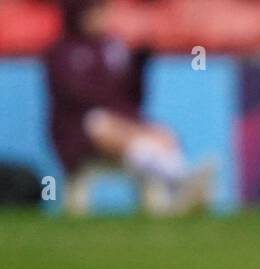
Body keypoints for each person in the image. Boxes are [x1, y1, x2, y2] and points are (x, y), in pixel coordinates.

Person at [45, 0, 212, 214]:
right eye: (94, 12)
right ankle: (183, 181)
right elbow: (75, 99)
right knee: (100, 123)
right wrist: (123, 122)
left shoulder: (113, 47)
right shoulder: (61, 53)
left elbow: (130, 96)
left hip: (120, 124)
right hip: (76, 132)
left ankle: (178, 185)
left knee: (162, 133)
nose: (100, 17)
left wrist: (140, 63)